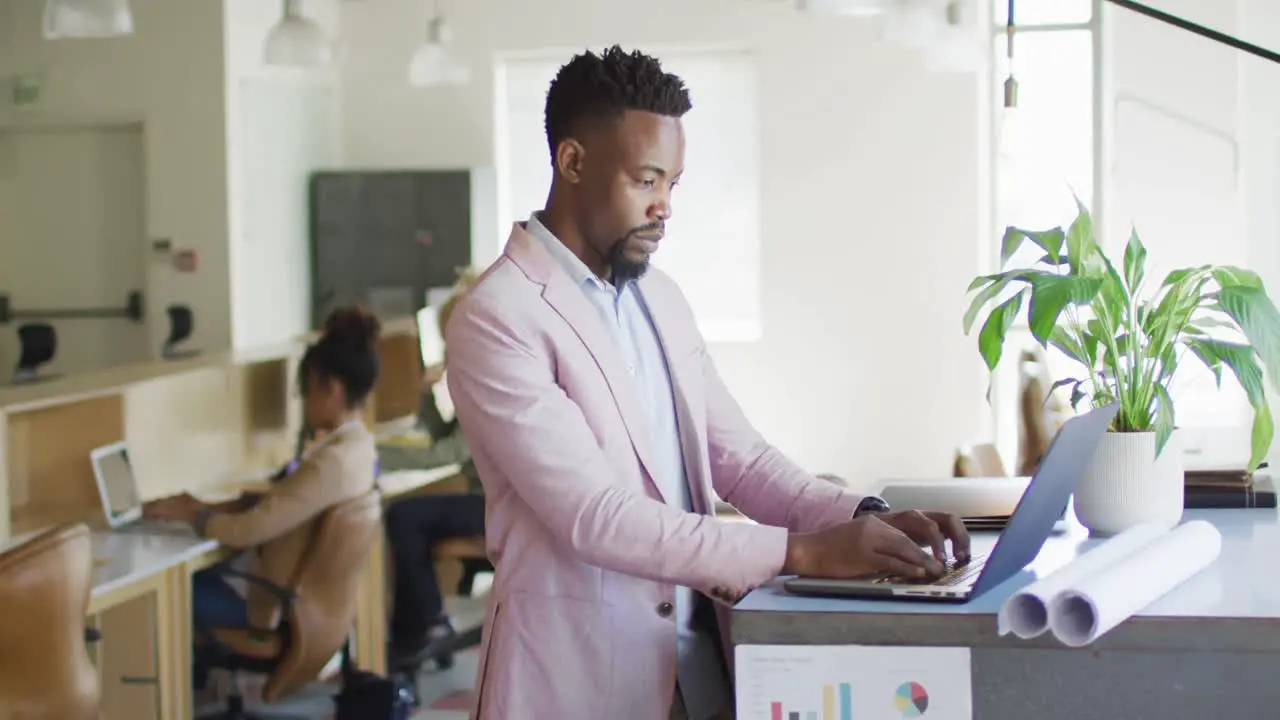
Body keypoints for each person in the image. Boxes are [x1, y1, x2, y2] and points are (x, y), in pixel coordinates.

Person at [444, 45, 971, 720]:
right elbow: (595, 516)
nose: (664, 207)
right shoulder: (498, 317)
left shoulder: (658, 297)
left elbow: (740, 459)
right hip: (575, 681)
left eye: (674, 185)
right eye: (646, 180)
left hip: (699, 671)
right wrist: (803, 552)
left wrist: (860, 519)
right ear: (572, 162)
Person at [143, 307, 382, 684]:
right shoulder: (359, 449)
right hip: (308, 604)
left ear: (331, 389)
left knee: (163, 595)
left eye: (306, 391)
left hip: (270, 610)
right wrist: (205, 506)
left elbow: (245, 532)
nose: (303, 401)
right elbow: (281, 504)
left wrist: (193, 516)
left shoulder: (330, 463)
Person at [380, 269, 488, 670]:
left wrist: (368, 456)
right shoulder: (479, 375)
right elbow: (446, 434)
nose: (448, 351)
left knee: (405, 518)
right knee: (411, 520)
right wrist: (428, 395)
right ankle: (415, 633)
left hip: (501, 507)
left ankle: (425, 625)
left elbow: (443, 454)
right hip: (493, 500)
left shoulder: (490, 380)